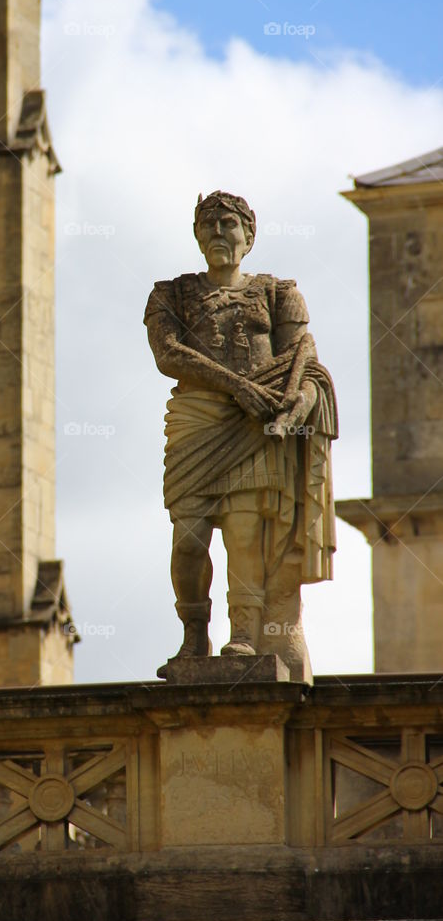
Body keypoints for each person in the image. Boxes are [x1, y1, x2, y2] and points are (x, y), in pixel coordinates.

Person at [144, 191, 337, 681]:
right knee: (188, 540)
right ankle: (193, 631)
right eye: (208, 225)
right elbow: (168, 354)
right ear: (196, 235)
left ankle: (245, 635)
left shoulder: (278, 292)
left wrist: (299, 401)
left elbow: (304, 363)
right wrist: (238, 387)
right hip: (198, 421)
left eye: (229, 224)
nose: (218, 233)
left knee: (246, 536)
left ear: (248, 236)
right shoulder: (171, 294)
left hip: (256, 430)